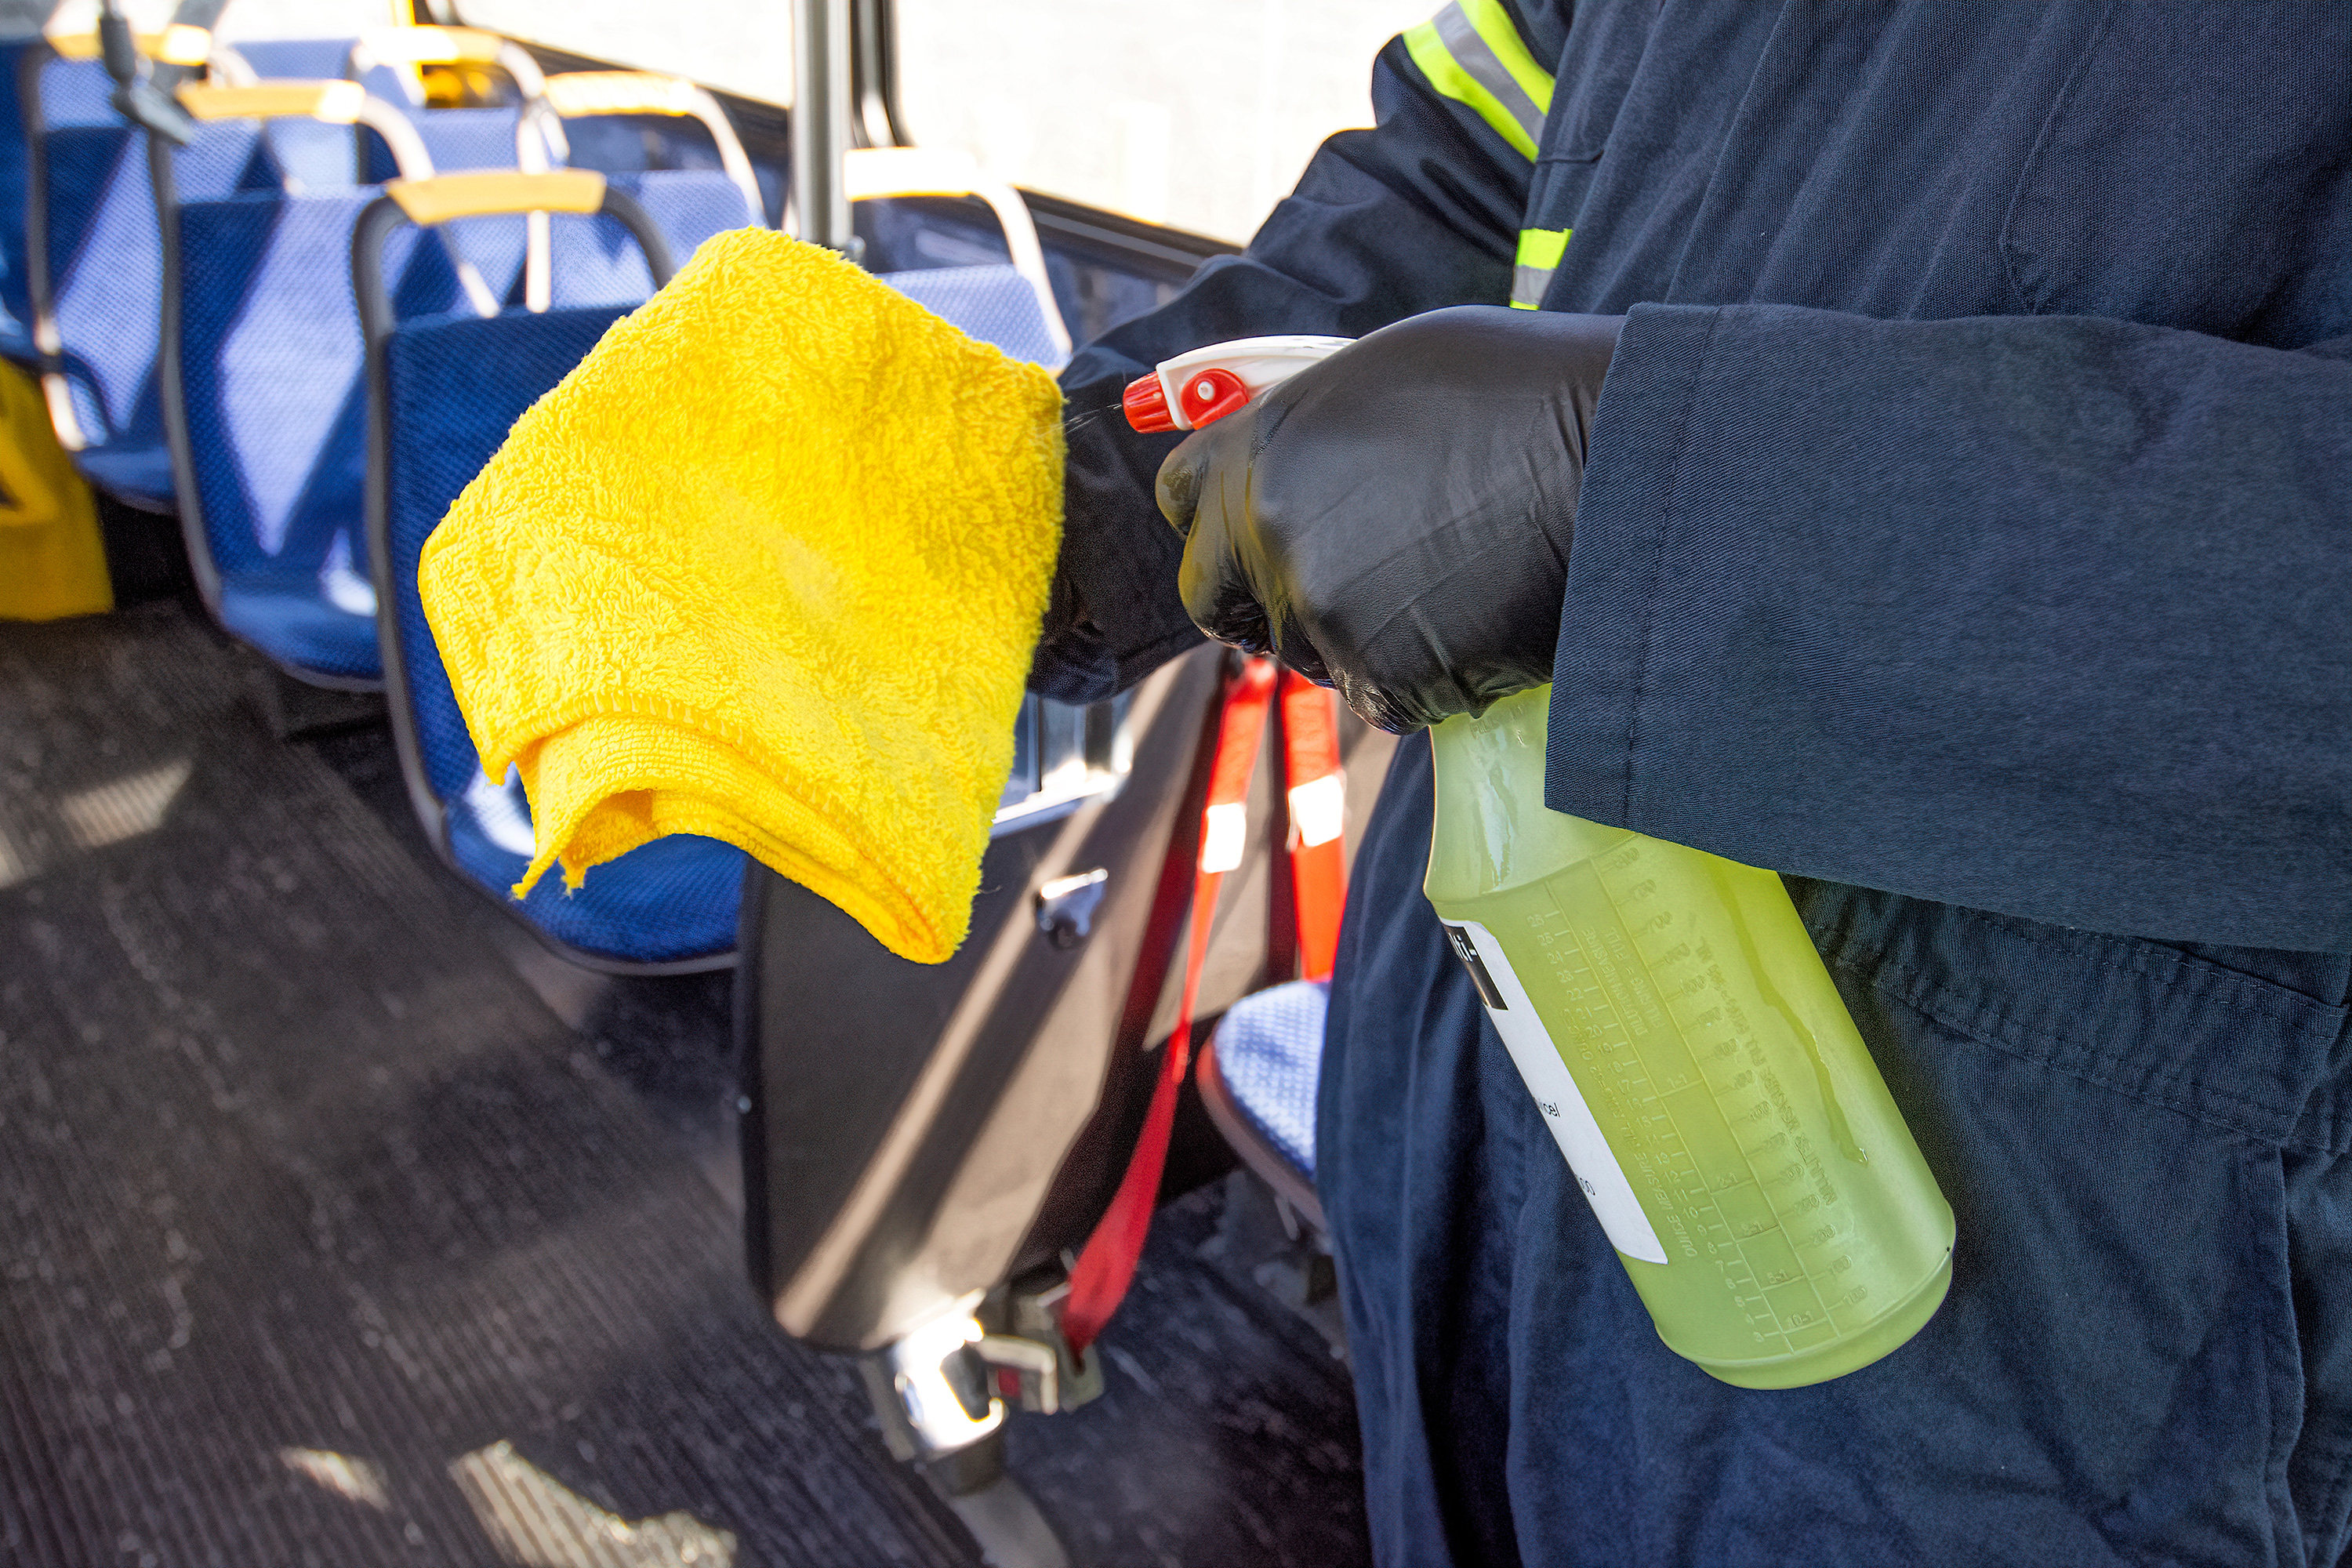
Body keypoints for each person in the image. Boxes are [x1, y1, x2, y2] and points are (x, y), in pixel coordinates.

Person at [1033, 3, 2352, 1563]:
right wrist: (1086, 473)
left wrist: (1671, 498)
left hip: (2061, 1325)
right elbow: (1486, 149)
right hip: (1493, 1091)